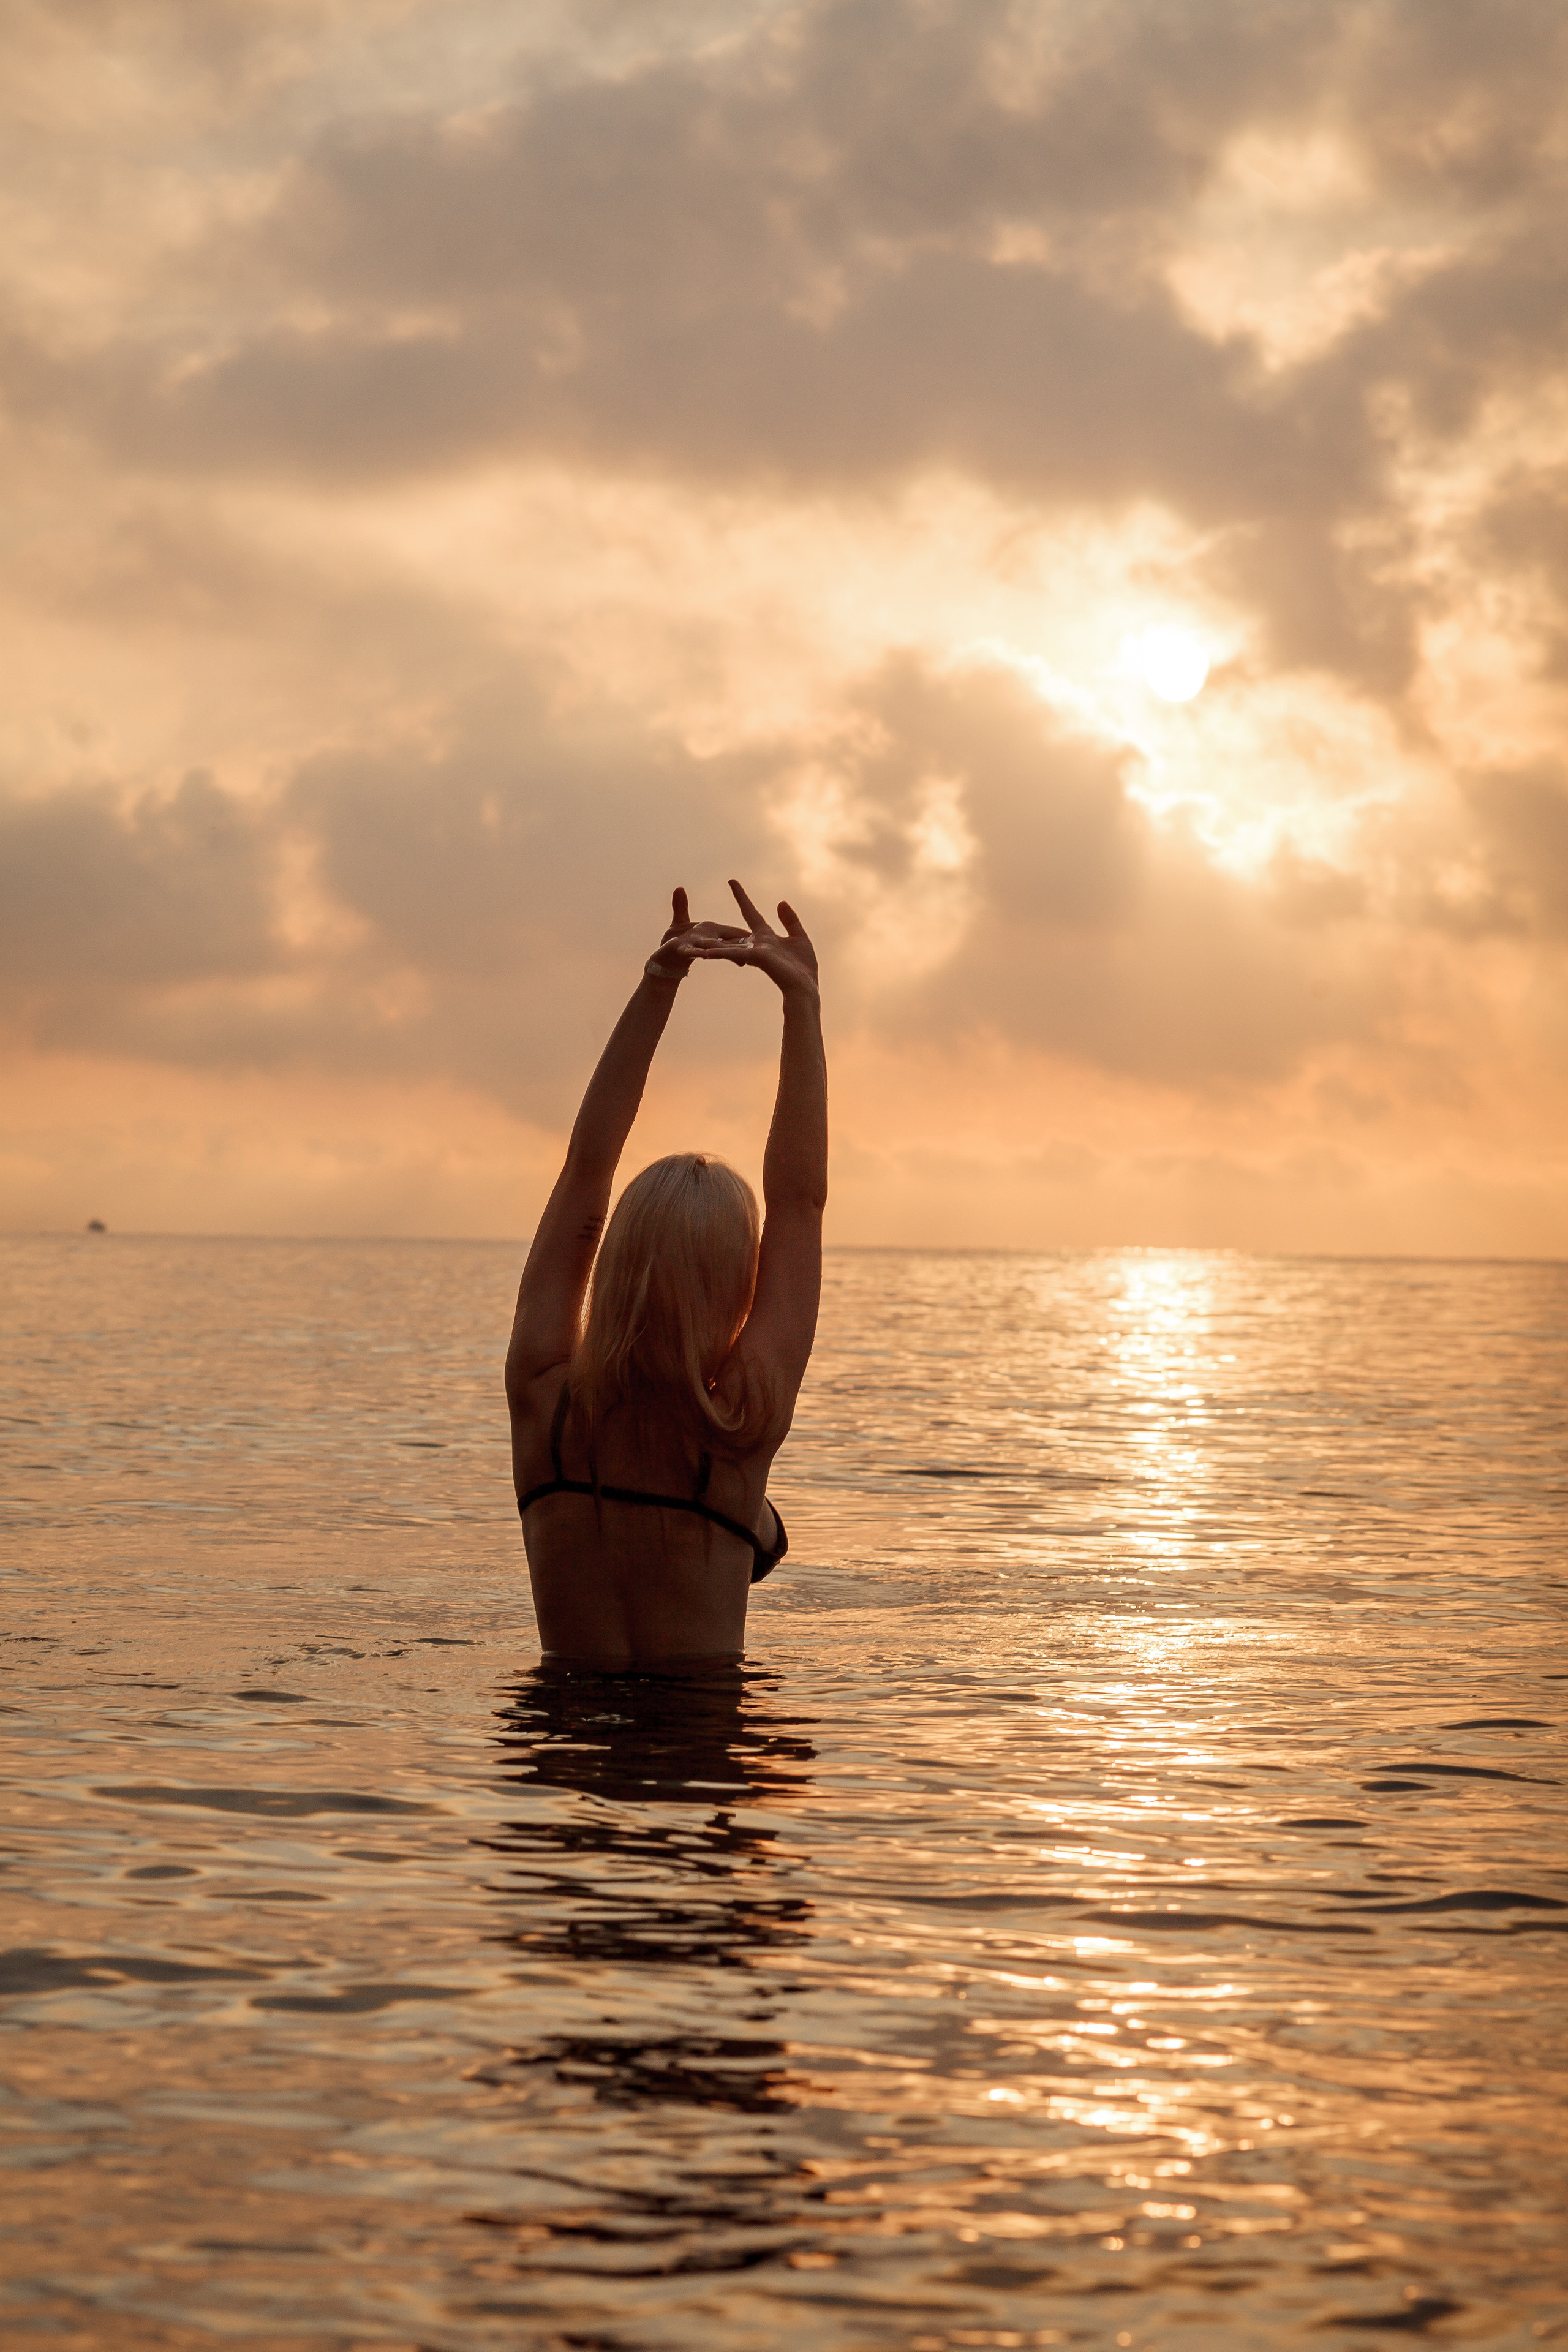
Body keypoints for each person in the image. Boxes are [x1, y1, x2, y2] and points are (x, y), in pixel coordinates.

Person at [506, 880, 827, 1671]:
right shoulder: (743, 1425)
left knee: (760, 1525)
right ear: (734, 1288)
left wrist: (659, 985)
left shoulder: (542, 1399)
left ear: (613, 1258)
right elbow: (800, 1203)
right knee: (760, 1527)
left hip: (558, 1761)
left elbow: (587, 1171)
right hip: (700, 1754)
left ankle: (762, 1529)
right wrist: (804, 1008)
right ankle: (761, 1529)